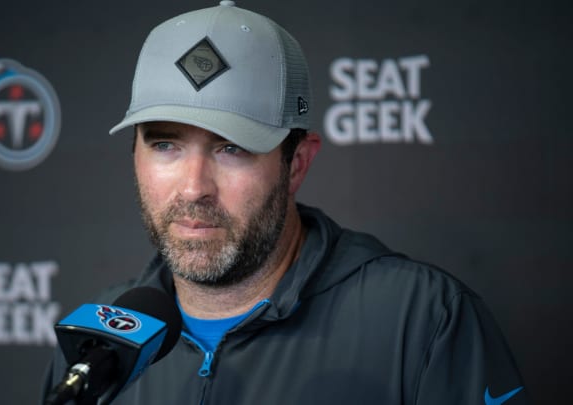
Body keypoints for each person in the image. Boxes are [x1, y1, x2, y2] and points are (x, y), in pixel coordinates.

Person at [42, 1, 529, 403]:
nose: (193, 187)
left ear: (297, 163)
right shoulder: (96, 342)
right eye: (165, 145)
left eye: (231, 147)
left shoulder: (422, 320)